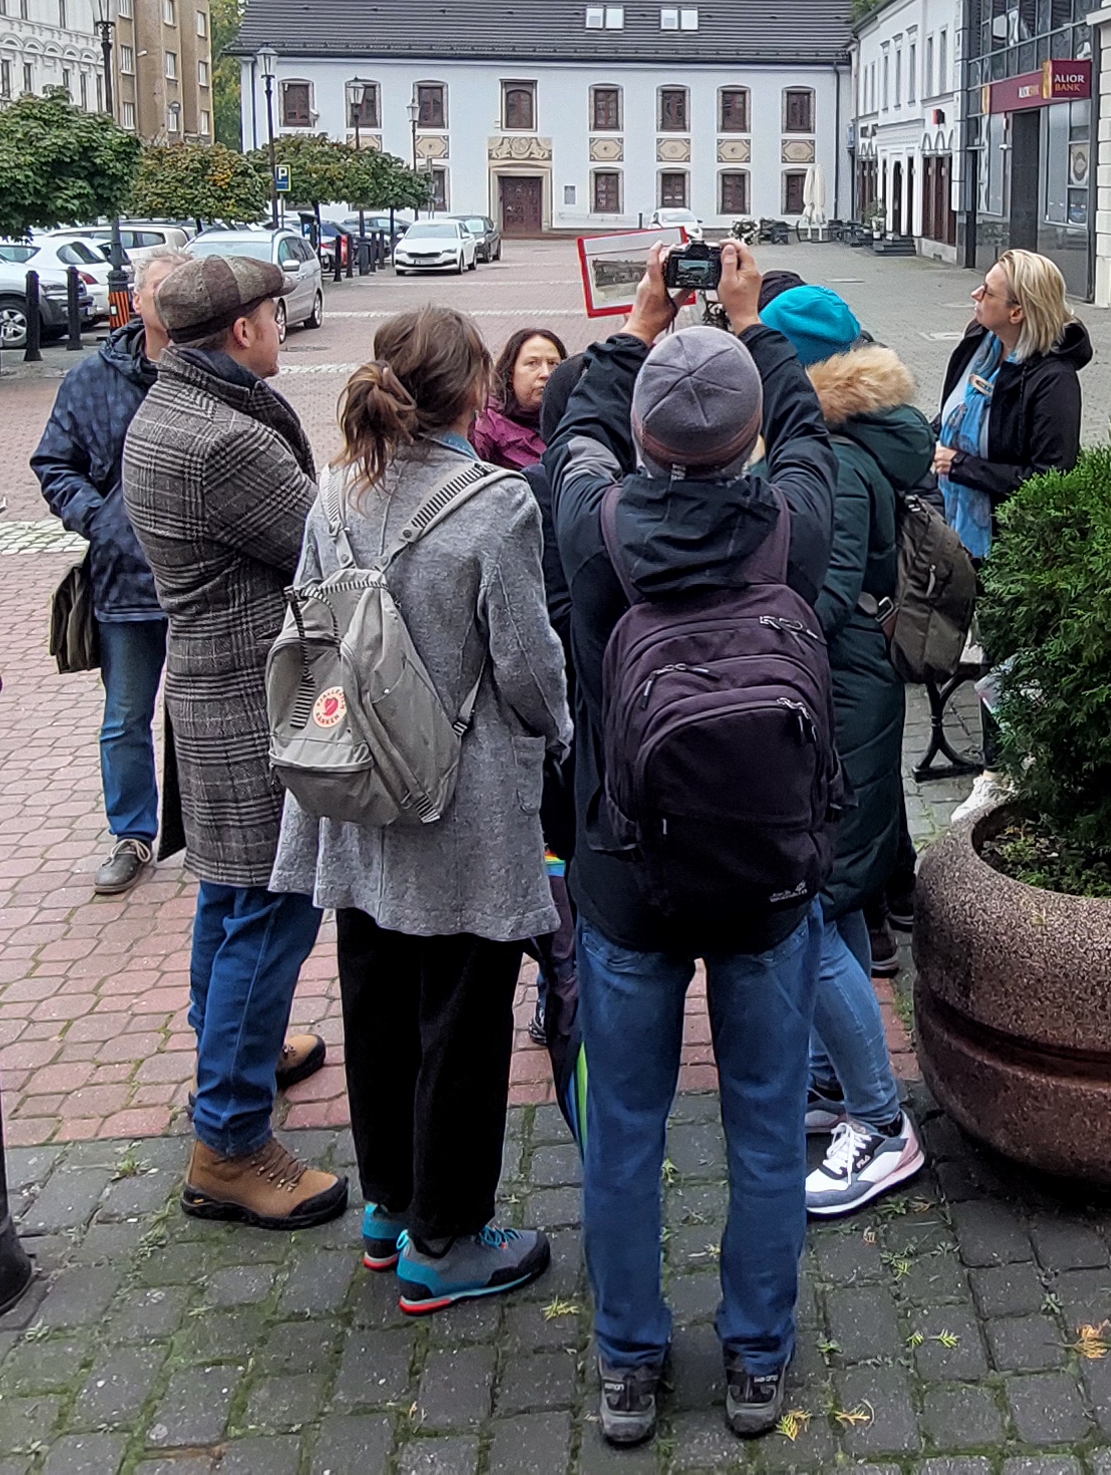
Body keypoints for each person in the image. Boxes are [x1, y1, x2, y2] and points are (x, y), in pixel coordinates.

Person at [545, 242, 837, 1447]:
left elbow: (573, 419)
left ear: (648, 437)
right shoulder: (794, 526)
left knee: (625, 1125)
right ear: (749, 436)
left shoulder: (591, 524)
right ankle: (757, 1356)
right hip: (768, 877)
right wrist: (753, 318)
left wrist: (637, 322)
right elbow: (810, 426)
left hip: (625, 874)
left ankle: (628, 1360)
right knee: (766, 1120)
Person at [270, 306, 571, 1313]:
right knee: (463, 1014)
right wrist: (562, 729)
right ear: (475, 389)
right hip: (463, 800)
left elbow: (308, 630)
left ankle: (391, 1203)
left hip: (355, 785)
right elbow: (526, 662)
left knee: (376, 998)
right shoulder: (496, 503)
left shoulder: (334, 488)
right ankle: (447, 1239)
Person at [121, 251, 341, 1228]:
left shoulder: (168, 404)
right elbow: (324, 546)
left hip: (214, 686)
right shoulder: (223, 441)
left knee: (228, 894)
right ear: (244, 328)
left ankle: (232, 1056)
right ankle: (232, 1141)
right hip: (255, 697)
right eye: (275, 314)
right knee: (270, 905)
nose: (283, 327)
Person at [761, 283, 933, 1221]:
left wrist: (744, 634)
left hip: (841, 686)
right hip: (849, 681)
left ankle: (880, 1119)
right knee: (827, 899)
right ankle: (832, 1085)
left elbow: (821, 594)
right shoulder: (858, 437)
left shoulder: (831, 454)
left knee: (820, 912)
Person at [36, 245, 189, 895]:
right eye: (161, 293)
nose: (171, 305)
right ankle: (132, 834)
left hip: (202, 582)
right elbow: (54, 462)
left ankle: (210, 829)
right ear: (138, 300)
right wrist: (98, 518)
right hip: (125, 583)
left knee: (203, 713)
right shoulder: (92, 378)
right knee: (126, 714)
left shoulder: (216, 373)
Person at [932, 249, 1090, 557]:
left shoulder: (1054, 380)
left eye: (988, 291)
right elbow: (954, 414)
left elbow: (1050, 479)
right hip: (947, 524)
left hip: (1006, 548)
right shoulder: (979, 341)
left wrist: (959, 465)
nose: (975, 293)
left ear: (1016, 313)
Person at [477, 326, 567, 471]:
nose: (545, 373)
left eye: (553, 364)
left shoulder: (574, 415)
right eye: (532, 363)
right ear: (511, 373)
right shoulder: (487, 423)